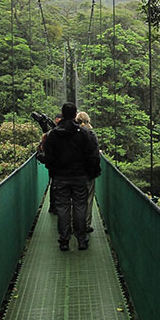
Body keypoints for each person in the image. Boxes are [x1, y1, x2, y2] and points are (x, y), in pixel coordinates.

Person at [43, 102, 100, 251]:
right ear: (75, 115)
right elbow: (90, 155)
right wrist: (90, 171)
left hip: (60, 176)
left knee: (62, 208)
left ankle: (64, 240)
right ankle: (81, 239)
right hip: (80, 176)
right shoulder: (83, 133)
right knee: (80, 207)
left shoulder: (54, 134)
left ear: (62, 114)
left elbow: (48, 155)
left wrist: (53, 170)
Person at [76, 111, 100, 233]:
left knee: (75, 199)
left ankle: (74, 224)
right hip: (89, 172)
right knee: (88, 199)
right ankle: (85, 225)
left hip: (76, 172)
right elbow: (95, 154)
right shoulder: (92, 134)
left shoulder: (74, 134)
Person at [36, 112, 62, 213]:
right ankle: (56, 207)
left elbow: (47, 152)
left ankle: (54, 206)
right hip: (60, 165)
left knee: (54, 184)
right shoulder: (62, 134)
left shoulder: (50, 135)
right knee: (56, 184)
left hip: (53, 164)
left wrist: (40, 157)